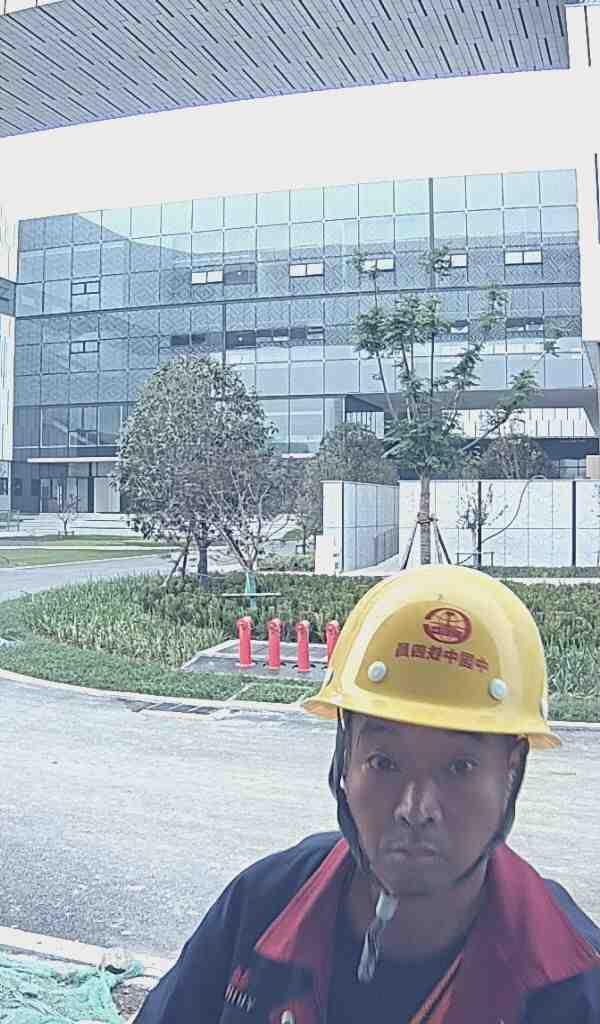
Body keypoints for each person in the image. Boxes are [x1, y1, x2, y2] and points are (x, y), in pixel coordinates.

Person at [135, 565, 600, 1023]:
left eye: (459, 767)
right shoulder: (262, 905)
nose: (415, 809)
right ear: (344, 762)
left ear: (511, 773)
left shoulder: (573, 978)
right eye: (384, 763)